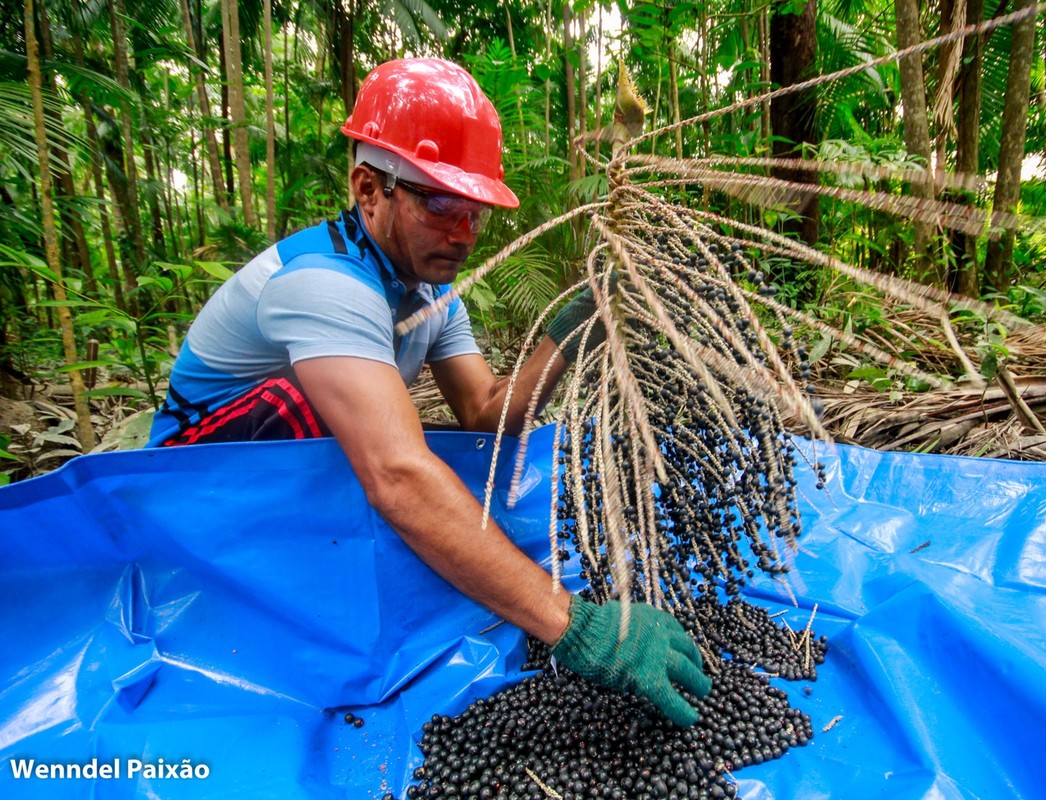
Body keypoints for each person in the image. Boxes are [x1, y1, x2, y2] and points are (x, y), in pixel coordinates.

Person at [148, 58, 711, 726]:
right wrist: (572, 622)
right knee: (407, 462)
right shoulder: (323, 285)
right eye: (441, 204)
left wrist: (568, 329)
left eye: (475, 212)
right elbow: (397, 475)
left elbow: (487, 410)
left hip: (306, 490)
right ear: (368, 188)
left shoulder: (431, 293)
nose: (464, 233)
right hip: (198, 506)